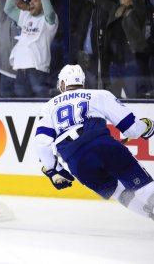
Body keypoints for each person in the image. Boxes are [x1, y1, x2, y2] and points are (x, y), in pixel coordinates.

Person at [35, 64, 154, 220]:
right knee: (142, 186)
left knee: (118, 192)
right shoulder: (99, 95)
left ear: (62, 84)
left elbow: (41, 143)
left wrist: (53, 170)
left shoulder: (49, 106)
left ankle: (149, 214)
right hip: (103, 145)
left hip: (77, 162)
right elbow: (131, 129)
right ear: (82, 82)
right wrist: (148, 126)